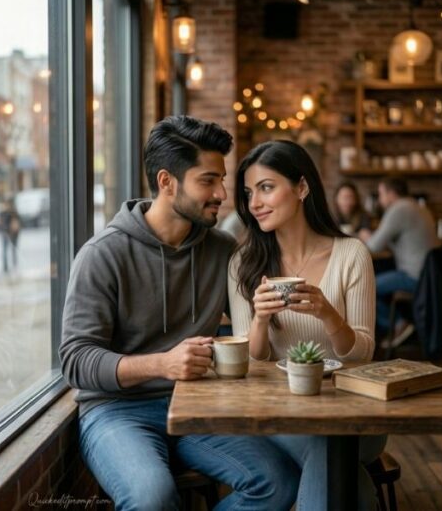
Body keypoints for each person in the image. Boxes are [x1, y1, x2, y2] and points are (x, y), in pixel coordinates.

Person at [59, 116, 299, 510]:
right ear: (167, 182)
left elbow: (255, 321)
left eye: (221, 179)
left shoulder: (222, 251)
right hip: (118, 412)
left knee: (278, 482)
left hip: (198, 406)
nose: (222, 192)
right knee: (153, 499)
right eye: (208, 180)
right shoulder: (102, 255)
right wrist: (162, 364)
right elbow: (75, 360)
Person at [228, 140, 383, 511]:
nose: (255, 203)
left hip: (353, 409)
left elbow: (363, 353)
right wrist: (261, 320)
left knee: (329, 445)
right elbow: (249, 363)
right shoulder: (243, 264)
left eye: (266, 188)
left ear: (301, 188)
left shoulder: (351, 254)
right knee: (346, 479)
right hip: (281, 412)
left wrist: (328, 314)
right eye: (249, 193)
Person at [359, 178, 439, 341]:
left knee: (364, 288)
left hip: (415, 276)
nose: (380, 200)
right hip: (430, 276)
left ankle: (398, 324)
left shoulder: (399, 209)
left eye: (381, 194)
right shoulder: (418, 206)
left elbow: (374, 246)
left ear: (391, 193)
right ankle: (399, 325)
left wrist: (366, 236)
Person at [0, 198, 21, 273]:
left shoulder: (9, 212)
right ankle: (9, 265)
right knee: (10, 249)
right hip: (8, 233)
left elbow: (0, 222)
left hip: (9, 233)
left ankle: (10, 265)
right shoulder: (10, 212)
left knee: (10, 249)